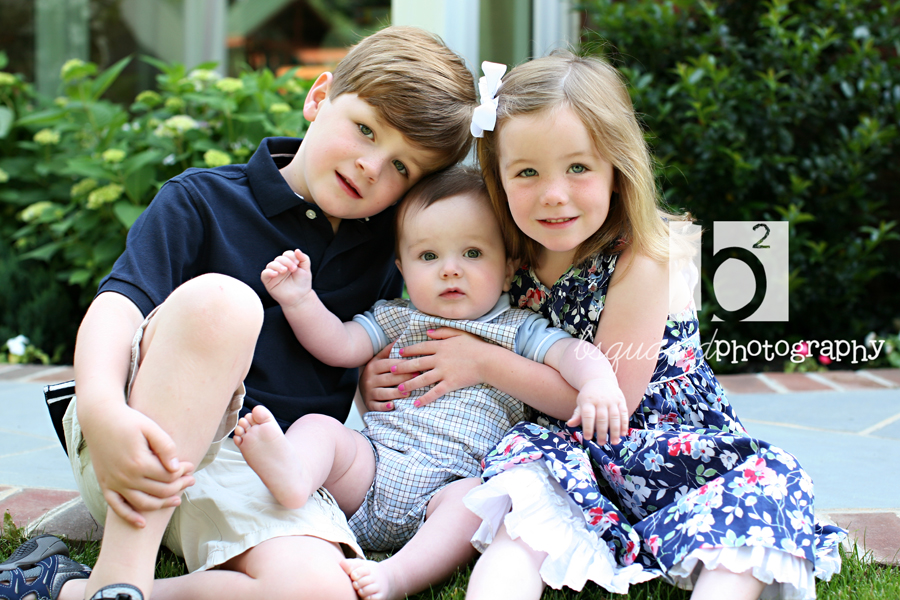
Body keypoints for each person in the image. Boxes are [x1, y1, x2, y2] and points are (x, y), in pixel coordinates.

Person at [3, 26, 479, 600]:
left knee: (323, 590)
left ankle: (69, 590)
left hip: (262, 468)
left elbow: (373, 336)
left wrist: (376, 373)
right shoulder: (202, 199)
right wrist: (102, 410)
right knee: (225, 303)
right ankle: (123, 570)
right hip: (135, 436)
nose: (372, 167)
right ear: (319, 97)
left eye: (402, 167)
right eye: (365, 129)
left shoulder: (386, 248)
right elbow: (117, 308)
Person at [362, 54, 848, 600]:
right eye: (527, 172)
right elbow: (435, 310)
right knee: (520, 517)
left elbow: (615, 398)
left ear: (618, 169)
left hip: (658, 438)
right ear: (498, 179)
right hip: (557, 446)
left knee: (747, 506)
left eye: (578, 168)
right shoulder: (506, 246)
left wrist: (481, 362)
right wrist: (383, 370)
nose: (553, 194)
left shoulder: (644, 256)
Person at [236, 166, 628, 600]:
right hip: (372, 468)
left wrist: (597, 383)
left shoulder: (516, 328)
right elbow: (339, 345)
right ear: (403, 270)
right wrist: (299, 299)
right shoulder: (398, 317)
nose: (450, 270)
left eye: (472, 253)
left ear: (507, 270)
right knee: (320, 428)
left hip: (447, 491)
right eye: (428, 256)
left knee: (477, 501)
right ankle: (295, 476)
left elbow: (570, 352)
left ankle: (395, 576)